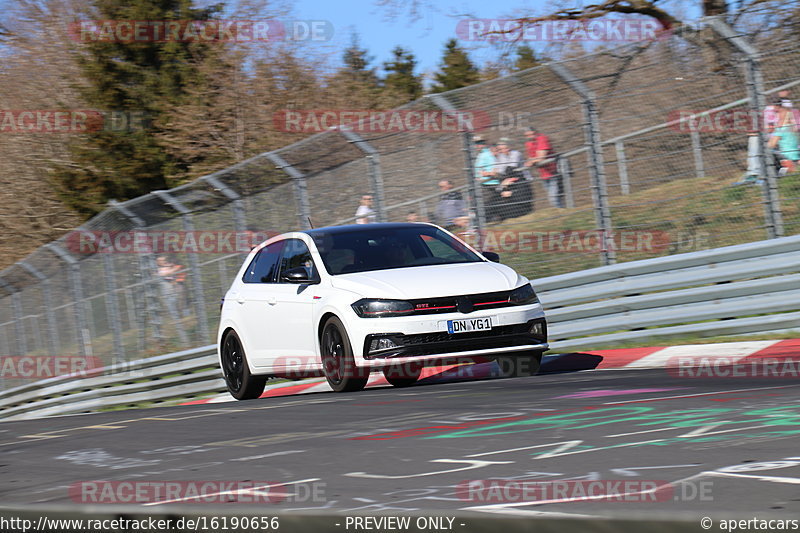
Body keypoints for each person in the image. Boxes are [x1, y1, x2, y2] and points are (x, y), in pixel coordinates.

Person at [524, 126, 564, 208]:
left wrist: (532, 161)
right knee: (553, 197)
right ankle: (561, 212)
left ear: (535, 133)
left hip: (553, 171)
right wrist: (531, 161)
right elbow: (531, 157)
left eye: (531, 135)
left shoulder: (542, 138)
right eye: (527, 136)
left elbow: (541, 157)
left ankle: (561, 212)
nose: (530, 137)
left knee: (553, 198)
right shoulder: (529, 143)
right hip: (543, 173)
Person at [769, 105, 800, 175]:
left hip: (786, 157)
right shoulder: (792, 127)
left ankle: (781, 171)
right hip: (795, 156)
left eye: (779, 113)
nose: (777, 115)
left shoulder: (781, 129)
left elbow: (771, 145)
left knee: (768, 151)